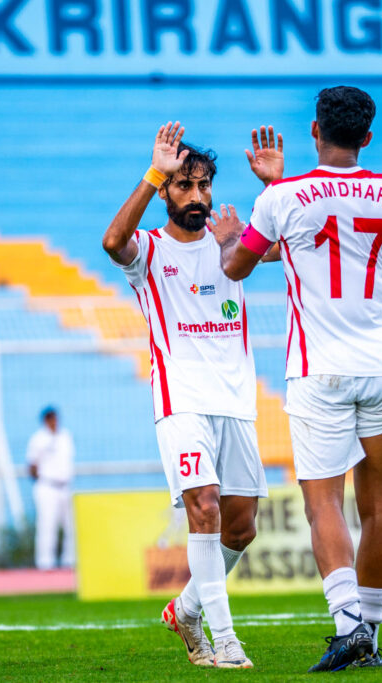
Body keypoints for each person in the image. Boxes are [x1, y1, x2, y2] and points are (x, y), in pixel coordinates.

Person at [211, 86, 382, 671]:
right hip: (380, 367)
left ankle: (348, 628)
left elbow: (238, 264)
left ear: (315, 131)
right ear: (368, 137)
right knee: (379, 507)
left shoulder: (283, 196)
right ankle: (369, 630)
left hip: (319, 370)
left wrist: (229, 237)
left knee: (324, 506)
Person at [101, 122, 282, 669]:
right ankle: (224, 641)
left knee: (242, 526)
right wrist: (154, 168)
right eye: (184, 185)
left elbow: (301, 243)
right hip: (180, 400)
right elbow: (113, 242)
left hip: (235, 403)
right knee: (202, 508)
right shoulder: (150, 252)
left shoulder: (234, 245)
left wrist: (274, 187)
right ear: (165, 192)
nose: (198, 196)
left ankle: (184, 609)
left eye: (204, 185)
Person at [26, 406, 76, 570]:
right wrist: (44, 480)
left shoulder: (65, 436)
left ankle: (69, 560)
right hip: (47, 486)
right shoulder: (38, 439)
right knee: (47, 526)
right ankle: (45, 562)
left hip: (65, 486)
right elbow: (32, 466)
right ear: (46, 420)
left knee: (71, 525)